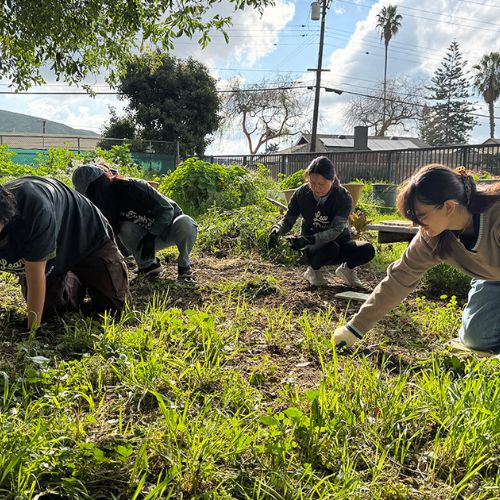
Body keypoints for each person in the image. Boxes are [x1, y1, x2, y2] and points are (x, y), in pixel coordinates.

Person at [334, 164, 500, 354]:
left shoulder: (495, 217)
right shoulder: (431, 238)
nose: (414, 224)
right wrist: (354, 329)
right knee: (476, 339)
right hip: (492, 279)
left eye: (420, 215)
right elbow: (398, 279)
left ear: (448, 207)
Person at [0, 176, 129, 329]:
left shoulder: (34, 210)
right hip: (50, 253)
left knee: (115, 308)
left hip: (86, 235)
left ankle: (89, 274)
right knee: (48, 310)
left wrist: (32, 331)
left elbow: (35, 275)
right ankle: (74, 281)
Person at [72, 165, 198, 279]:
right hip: (146, 240)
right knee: (125, 227)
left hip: (170, 231)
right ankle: (149, 266)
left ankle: (184, 267)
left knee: (185, 222)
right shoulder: (104, 206)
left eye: (92, 190)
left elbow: (167, 210)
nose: (91, 196)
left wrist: (151, 236)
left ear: (101, 182)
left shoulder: (132, 187)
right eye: (87, 194)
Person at [268, 156, 375, 287]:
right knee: (330, 248)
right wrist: (277, 230)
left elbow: (335, 231)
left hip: (339, 242)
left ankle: (346, 270)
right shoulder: (301, 194)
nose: (316, 188)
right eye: (312, 183)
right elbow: (289, 218)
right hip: (315, 249)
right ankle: (313, 271)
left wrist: (307, 239)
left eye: (321, 184)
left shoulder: (343, 197)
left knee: (367, 249)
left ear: (333, 180)